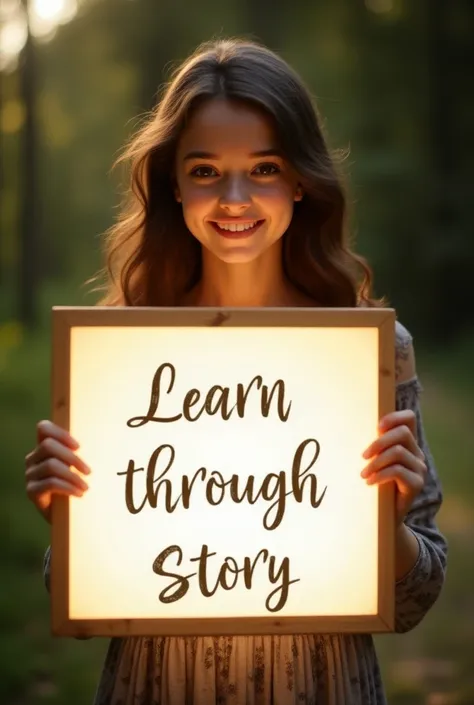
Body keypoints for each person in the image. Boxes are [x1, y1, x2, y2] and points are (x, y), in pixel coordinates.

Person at [24, 38, 447, 705]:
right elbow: (77, 597)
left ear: (301, 178)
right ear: (173, 180)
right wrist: (68, 520)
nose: (234, 196)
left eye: (265, 167)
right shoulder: (120, 359)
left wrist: (385, 525)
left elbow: (418, 595)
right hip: (158, 684)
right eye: (204, 170)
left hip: (321, 683)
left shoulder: (371, 353)